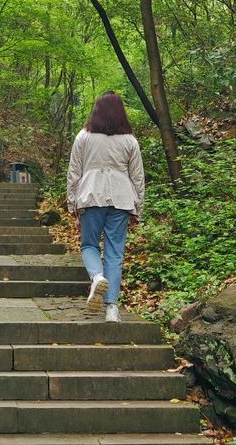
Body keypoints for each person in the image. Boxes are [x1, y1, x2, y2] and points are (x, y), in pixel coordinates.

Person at [67, 91, 145, 323]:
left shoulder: (83, 137)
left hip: (91, 196)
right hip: (121, 199)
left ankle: (97, 276)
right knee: (114, 253)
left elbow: (74, 172)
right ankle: (112, 309)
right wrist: (137, 207)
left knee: (89, 244)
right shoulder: (130, 140)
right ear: (120, 112)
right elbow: (137, 177)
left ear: (96, 111)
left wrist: (72, 202)